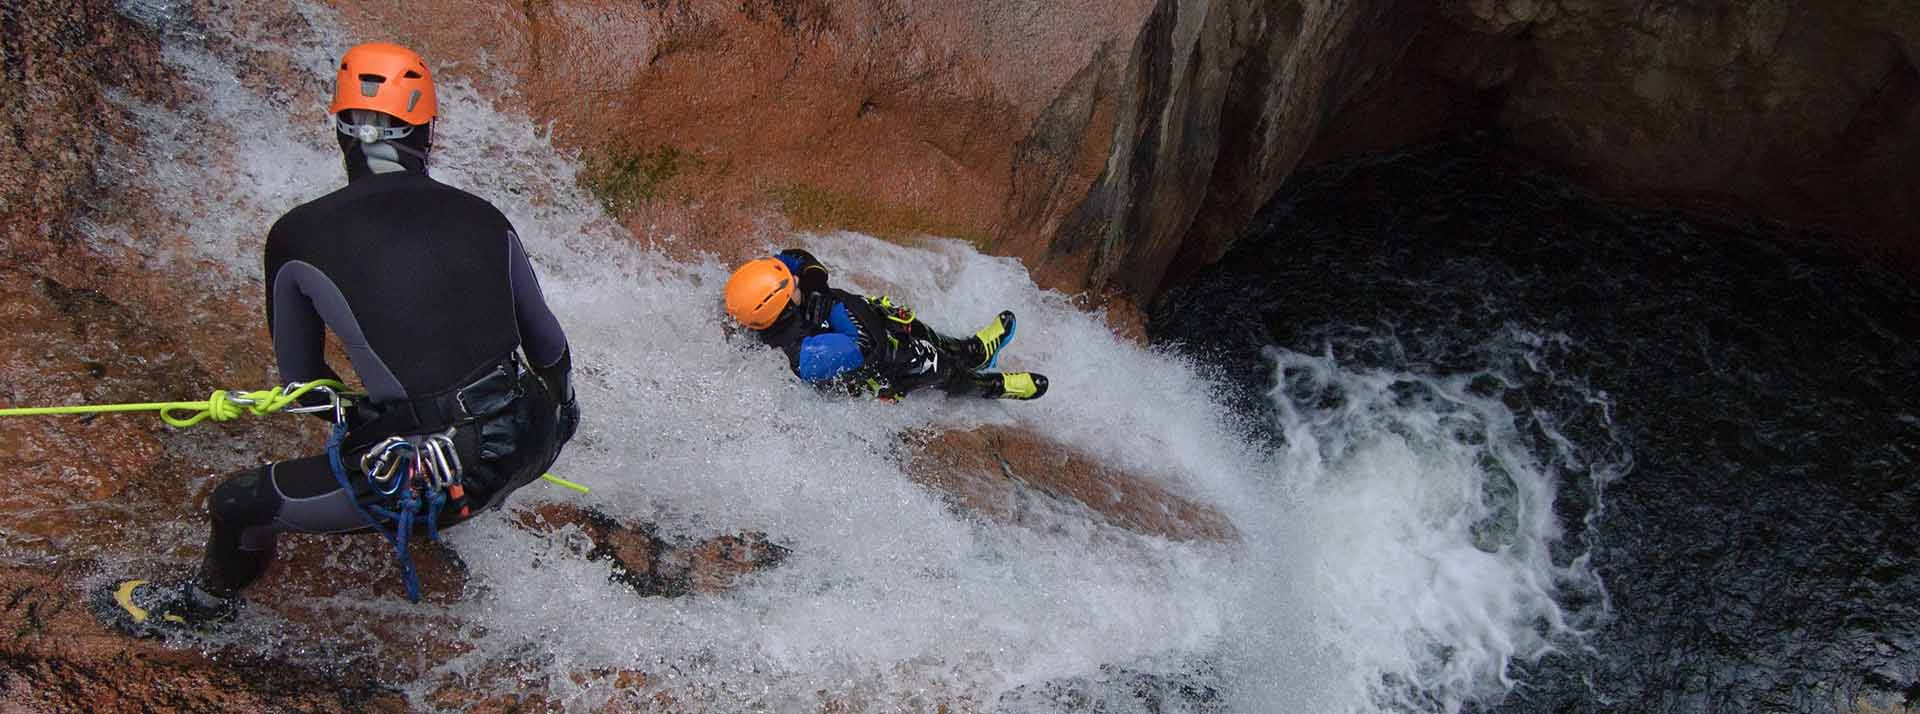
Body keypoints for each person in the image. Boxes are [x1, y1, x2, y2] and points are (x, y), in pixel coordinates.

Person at [91, 42, 581, 636]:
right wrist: (546, 425)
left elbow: (304, 387)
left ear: (342, 126)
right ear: (427, 130)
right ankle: (474, 490)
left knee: (238, 503)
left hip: (442, 473)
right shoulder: (485, 214)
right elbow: (551, 352)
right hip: (536, 441)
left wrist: (368, 415)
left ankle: (204, 610)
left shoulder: (296, 234)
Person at [724, 249, 1047, 401]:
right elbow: (868, 345)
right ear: (777, 309)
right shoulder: (803, 354)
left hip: (875, 324)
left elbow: (796, 257)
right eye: (791, 284)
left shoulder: (764, 304)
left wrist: (816, 283)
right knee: (938, 369)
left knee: (922, 332)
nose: (795, 278)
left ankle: (972, 351)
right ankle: (991, 386)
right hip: (887, 367)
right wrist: (834, 306)